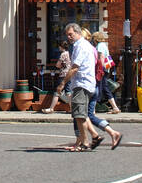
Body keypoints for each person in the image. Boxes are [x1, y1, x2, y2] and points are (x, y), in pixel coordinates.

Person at [60, 23, 101, 151]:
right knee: (81, 114)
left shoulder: (81, 46)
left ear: (78, 33)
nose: (69, 37)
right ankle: (94, 137)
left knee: (79, 115)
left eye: (71, 34)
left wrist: (62, 83)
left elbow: (75, 67)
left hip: (82, 84)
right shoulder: (83, 45)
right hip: (85, 83)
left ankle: (85, 143)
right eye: (67, 35)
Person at [82, 30, 124, 150]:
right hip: (98, 77)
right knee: (86, 114)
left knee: (83, 114)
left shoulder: (94, 48)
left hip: (92, 80)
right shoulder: (100, 46)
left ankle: (84, 140)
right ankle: (109, 133)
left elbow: (100, 60)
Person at [95, 33, 123, 115]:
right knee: (104, 87)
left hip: (102, 69)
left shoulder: (100, 45)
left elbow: (101, 57)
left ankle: (114, 107)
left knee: (100, 87)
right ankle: (114, 107)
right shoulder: (104, 45)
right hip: (106, 69)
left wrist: (101, 69)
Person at [40, 41, 70, 113]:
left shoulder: (63, 54)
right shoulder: (69, 53)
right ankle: (72, 108)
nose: (58, 48)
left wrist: (57, 65)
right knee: (68, 92)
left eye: (59, 46)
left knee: (57, 91)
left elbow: (58, 65)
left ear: (61, 47)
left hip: (63, 74)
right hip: (69, 74)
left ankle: (51, 108)